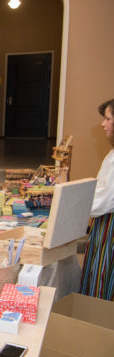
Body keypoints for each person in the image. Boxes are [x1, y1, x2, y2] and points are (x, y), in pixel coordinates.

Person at [80, 98, 114, 301]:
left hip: (109, 227)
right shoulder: (111, 153)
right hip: (104, 222)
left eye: (108, 119)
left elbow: (106, 199)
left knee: (103, 276)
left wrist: (76, 205)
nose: (103, 123)